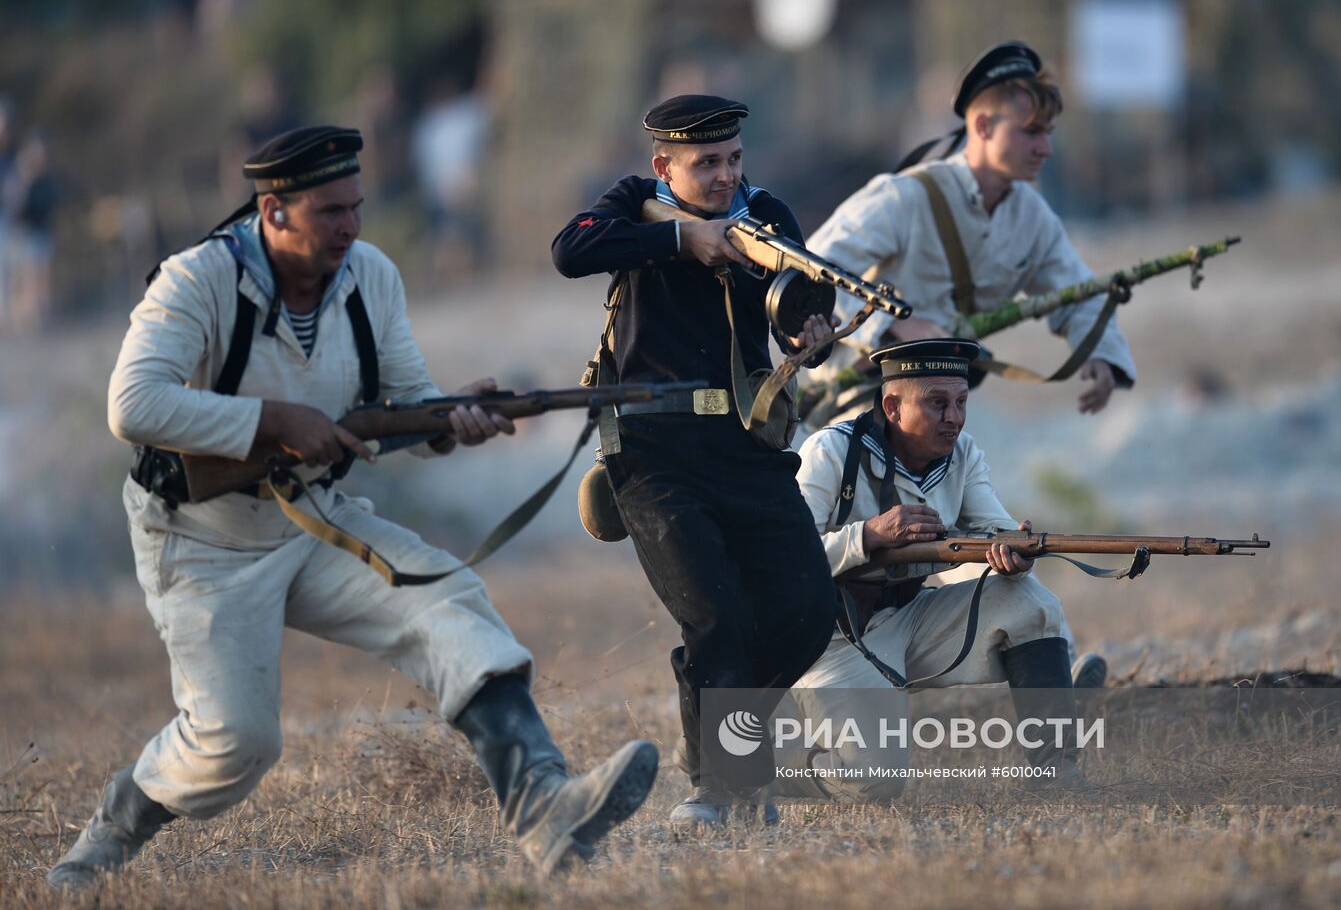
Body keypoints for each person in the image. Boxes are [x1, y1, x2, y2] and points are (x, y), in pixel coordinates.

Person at [46, 126, 657, 889]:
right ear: (273, 211)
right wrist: (274, 421)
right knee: (234, 744)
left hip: (313, 517)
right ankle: (109, 832)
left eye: (356, 207)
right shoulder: (195, 279)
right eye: (330, 212)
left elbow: (404, 406)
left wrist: (454, 424)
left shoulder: (370, 277)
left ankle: (544, 804)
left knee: (447, 601)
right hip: (200, 540)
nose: (351, 227)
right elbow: (131, 405)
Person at [551, 95, 838, 829]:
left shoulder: (769, 215)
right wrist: (683, 242)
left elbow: (802, 313)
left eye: (733, 158)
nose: (723, 174)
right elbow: (570, 250)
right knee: (715, 613)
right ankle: (723, 786)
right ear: (663, 167)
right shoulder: (632, 205)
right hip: (653, 452)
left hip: (747, 444)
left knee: (807, 610)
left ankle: (722, 743)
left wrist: (813, 336)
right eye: (705, 162)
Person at [772, 338, 1101, 802]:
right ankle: (769, 770)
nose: (954, 418)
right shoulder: (830, 451)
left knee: (1033, 604)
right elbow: (782, 560)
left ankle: (1056, 770)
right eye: (937, 403)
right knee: (875, 782)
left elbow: (995, 527)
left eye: (961, 403)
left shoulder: (963, 455)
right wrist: (867, 535)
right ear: (891, 405)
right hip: (832, 635)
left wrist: (1014, 551)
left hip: (910, 617)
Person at [806, 41, 1136, 416]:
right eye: (1031, 132)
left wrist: (1101, 352)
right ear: (983, 126)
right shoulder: (907, 196)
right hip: (862, 398)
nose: (1046, 148)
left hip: (944, 406)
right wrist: (892, 324)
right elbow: (813, 266)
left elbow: (1079, 293)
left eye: (1049, 132)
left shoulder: (1032, 217)